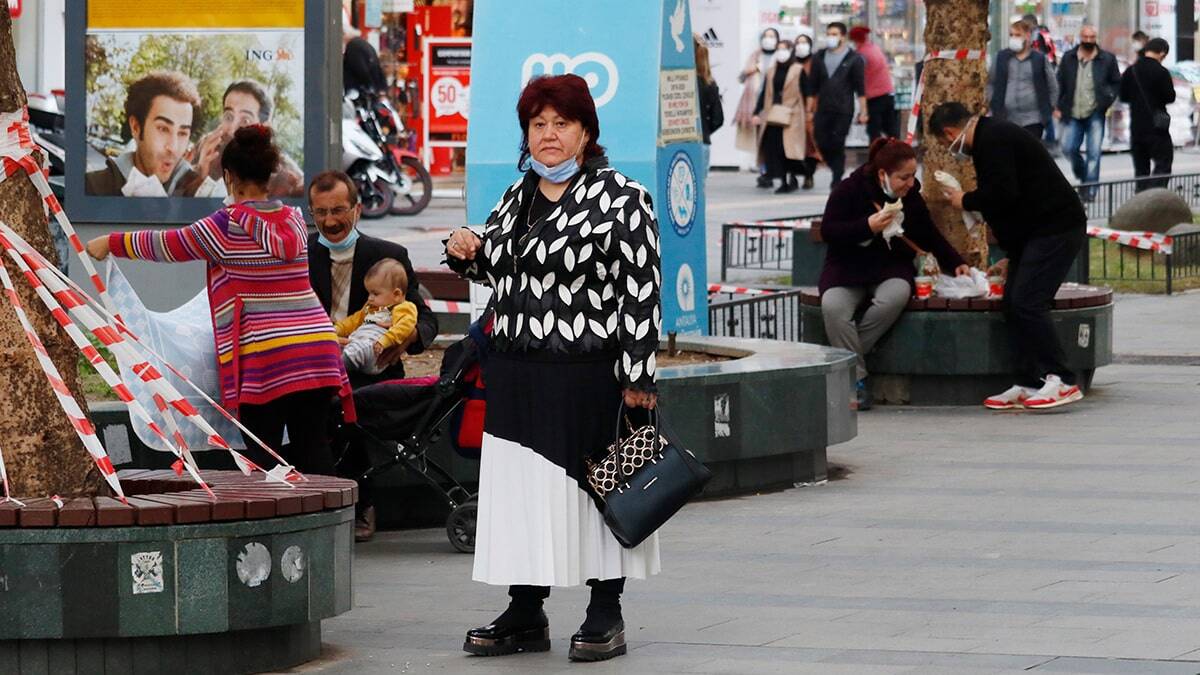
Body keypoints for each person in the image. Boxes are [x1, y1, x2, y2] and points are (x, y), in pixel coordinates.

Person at [444, 73, 660, 663]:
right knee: (524, 497)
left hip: (588, 376)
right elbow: (499, 268)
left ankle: (605, 611)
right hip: (516, 375)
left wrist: (638, 377)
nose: (548, 135)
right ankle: (525, 609)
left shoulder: (623, 197)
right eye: (537, 125)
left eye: (560, 123)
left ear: (586, 130)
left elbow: (640, 291)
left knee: (599, 494)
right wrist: (468, 249)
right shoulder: (517, 197)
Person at [85, 125, 351, 472]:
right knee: (313, 446)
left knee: (265, 458)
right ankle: (331, 523)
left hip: (266, 358)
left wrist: (110, 243)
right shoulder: (295, 221)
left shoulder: (225, 226)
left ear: (228, 176)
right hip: (317, 349)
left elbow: (167, 246)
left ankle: (274, 524)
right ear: (269, 175)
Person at [306, 169, 439, 542]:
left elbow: (425, 317)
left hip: (370, 369)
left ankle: (360, 502)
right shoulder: (300, 255)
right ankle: (310, 502)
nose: (330, 220)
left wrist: (408, 335)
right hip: (313, 365)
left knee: (344, 408)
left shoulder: (388, 256)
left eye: (338, 210)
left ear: (358, 209)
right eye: (320, 212)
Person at [931, 102, 1088, 411]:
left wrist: (966, 200)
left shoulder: (993, 139)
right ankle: (1028, 380)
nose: (951, 148)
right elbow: (1016, 204)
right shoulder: (991, 139)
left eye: (945, 142)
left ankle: (1063, 379)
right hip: (1037, 232)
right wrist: (1013, 256)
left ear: (950, 132)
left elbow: (1004, 194)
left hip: (1056, 227)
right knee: (1011, 302)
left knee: (1028, 301)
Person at [818, 138, 969, 410]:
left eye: (913, 176)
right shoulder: (849, 190)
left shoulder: (911, 198)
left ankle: (847, 363)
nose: (910, 183)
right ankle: (857, 378)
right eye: (904, 177)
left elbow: (929, 234)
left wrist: (955, 262)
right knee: (833, 307)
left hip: (890, 267)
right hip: (846, 267)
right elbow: (830, 231)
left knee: (895, 296)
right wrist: (867, 227)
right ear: (882, 174)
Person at [85, 70, 208, 197]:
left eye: (182, 133)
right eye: (163, 129)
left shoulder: (197, 194)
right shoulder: (91, 189)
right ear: (136, 127)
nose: (173, 148)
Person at [189, 80, 305, 199]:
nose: (233, 130)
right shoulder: (207, 148)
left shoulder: (289, 179)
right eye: (229, 117)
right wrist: (199, 174)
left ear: (265, 128)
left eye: (245, 121)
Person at [1055, 25, 1121, 202]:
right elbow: (1059, 82)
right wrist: (1057, 106)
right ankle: (1084, 176)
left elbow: (1116, 83)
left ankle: (1089, 191)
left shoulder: (1107, 59)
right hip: (1072, 111)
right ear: (1080, 37)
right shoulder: (1069, 58)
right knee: (1068, 148)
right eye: (1086, 37)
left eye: (1092, 37)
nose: (1089, 40)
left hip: (1095, 112)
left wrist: (1107, 99)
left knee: (1094, 153)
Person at [334, 258, 418, 377]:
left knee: (359, 349)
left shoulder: (403, 308)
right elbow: (353, 321)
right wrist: (336, 329)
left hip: (376, 350)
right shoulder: (371, 308)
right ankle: (339, 362)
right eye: (369, 293)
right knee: (340, 347)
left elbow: (403, 327)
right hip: (357, 343)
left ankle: (339, 367)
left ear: (396, 294)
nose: (370, 298)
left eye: (375, 294)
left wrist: (385, 341)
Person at [810, 22, 867, 188]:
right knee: (821, 141)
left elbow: (860, 88)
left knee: (837, 141)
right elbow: (813, 87)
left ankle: (837, 175)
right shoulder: (819, 57)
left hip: (843, 109)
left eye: (834, 34)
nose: (831, 37)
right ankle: (834, 166)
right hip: (823, 108)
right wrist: (810, 109)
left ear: (842, 36)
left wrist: (863, 111)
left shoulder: (853, 58)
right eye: (829, 33)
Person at [751, 39, 810, 194]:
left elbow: (806, 92)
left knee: (789, 148)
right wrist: (757, 111)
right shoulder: (771, 71)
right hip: (773, 115)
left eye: (784, 49)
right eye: (779, 49)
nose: (781, 52)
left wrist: (808, 112)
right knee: (775, 148)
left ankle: (792, 178)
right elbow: (764, 93)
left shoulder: (798, 69)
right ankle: (783, 179)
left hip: (792, 114)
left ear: (791, 51)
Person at [1120, 37, 1175, 191]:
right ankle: (1155, 196)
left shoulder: (1131, 71)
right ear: (1162, 53)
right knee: (1163, 163)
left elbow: (1123, 96)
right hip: (1157, 127)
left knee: (1141, 169)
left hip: (1136, 126)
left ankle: (1141, 200)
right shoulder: (1161, 72)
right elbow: (1170, 97)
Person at [989, 20, 1059, 140]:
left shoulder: (1039, 59)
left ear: (1027, 36)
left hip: (1033, 119)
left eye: (1017, 35)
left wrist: (1048, 109)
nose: (1013, 38)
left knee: (1028, 154)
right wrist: (993, 103)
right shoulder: (1001, 58)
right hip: (1006, 117)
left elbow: (1052, 86)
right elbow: (991, 83)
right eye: (1011, 35)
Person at [736, 28, 781, 188]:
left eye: (772, 36)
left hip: (774, 104)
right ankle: (764, 171)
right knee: (760, 140)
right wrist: (753, 69)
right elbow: (740, 77)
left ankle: (773, 170)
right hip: (755, 103)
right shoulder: (755, 56)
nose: (768, 39)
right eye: (766, 36)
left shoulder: (780, 57)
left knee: (771, 139)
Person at [848, 26, 898, 141]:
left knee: (874, 131)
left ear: (855, 40)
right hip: (887, 93)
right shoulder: (874, 48)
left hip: (874, 97)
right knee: (890, 129)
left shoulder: (861, 54)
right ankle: (897, 152)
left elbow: (857, 77)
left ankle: (877, 155)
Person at [694, 34, 723, 179]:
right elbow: (718, 119)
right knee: (700, 187)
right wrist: (704, 130)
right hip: (703, 141)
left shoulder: (680, 82)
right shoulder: (709, 83)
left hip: (682, 143)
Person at [795, 34, 821, 189]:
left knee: (810, 143)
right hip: (793, 107)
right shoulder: (791, 62)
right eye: (798, 43)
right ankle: (792, 175)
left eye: (804, 43)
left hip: (812, 108)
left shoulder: (816, 63)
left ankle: (808, 174)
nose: (801, 45)